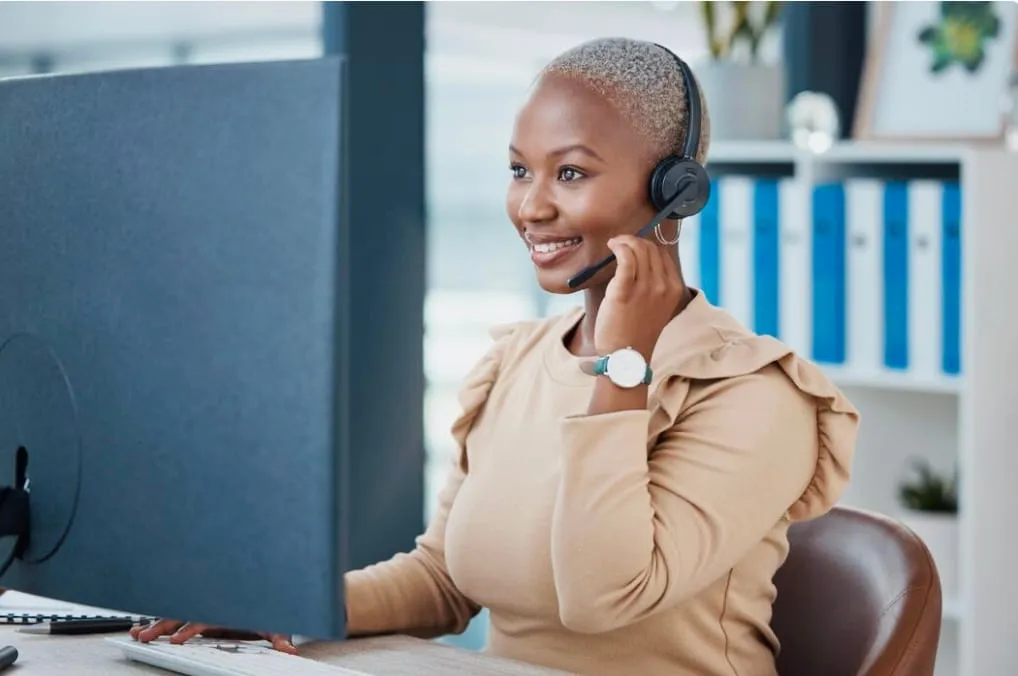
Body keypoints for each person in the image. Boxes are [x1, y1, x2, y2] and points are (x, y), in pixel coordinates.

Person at [133, 37, 859, 675]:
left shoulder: (754, 395)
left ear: (674, 190)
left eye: (570, 173)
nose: (531, 208)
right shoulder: (519, 360)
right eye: (519, 171)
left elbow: (602, 597)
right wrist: (285, 606)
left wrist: (622, 366)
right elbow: (446, 581)